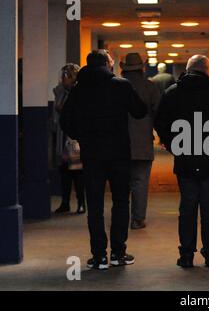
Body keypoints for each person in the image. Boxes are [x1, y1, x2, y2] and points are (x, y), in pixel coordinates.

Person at [60, 51, 148, 270]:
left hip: (92, 156)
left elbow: (65, 121)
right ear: (108, 64)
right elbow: (139, 111)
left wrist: (82, 135)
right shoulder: (121, 85)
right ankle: (119, 253)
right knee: (120, 201)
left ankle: (99, 256)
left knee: (96, 205)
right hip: (119, 154)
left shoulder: (79, 90)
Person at [154, 55, 209, 268]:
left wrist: (173, 144)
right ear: (208, 71)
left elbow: (160, 122)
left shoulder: (172, 93)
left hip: (185, 158)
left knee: (188, 207)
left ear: (188, 70)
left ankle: (187, 255)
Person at [120, 53, 161, 230]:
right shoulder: (150, 87)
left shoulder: (117, 87)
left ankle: (120, 217)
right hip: (143, 142)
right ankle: (137, 219)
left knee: (121, 183)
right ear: (141, 68)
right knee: (140, 182)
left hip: (119, 143)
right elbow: (159, 113)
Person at [53, 64, 86, 214]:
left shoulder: (80, 93)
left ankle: (81, 202)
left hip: (74, 137)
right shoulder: (60, 92)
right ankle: (65, 202)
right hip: (62, 136)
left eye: (65, 76)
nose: (62, 79)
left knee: (77, 171)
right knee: (64, 170)